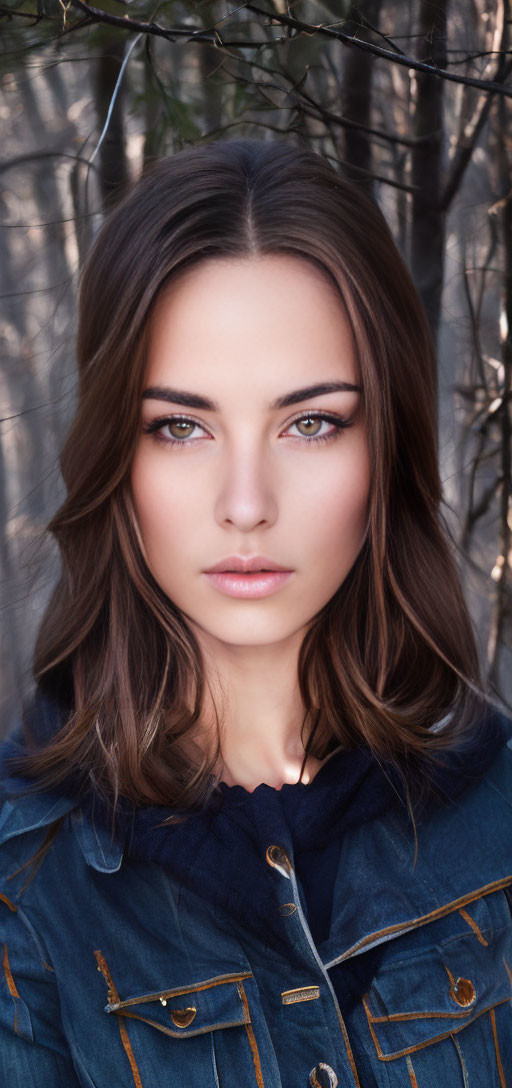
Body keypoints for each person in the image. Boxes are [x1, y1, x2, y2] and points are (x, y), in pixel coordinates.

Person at [0, 137, 511, 1088]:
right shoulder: (24, 889)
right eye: (180, 427)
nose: (246, 502)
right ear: (118, 456)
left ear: (385, 447)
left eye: (310, 422)